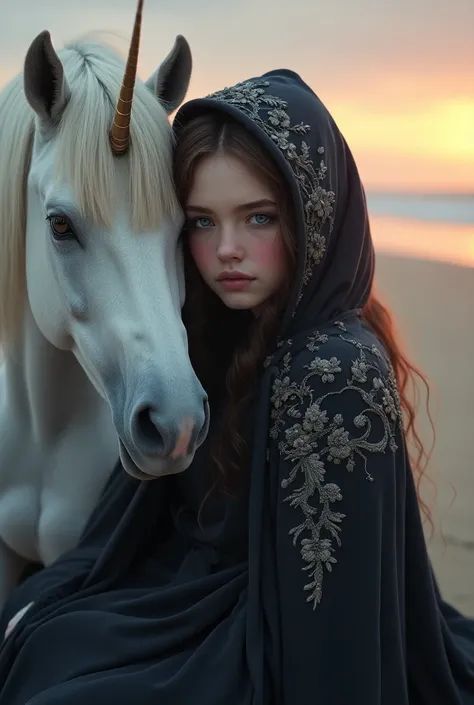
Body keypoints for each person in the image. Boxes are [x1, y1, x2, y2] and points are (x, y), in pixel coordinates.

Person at [0, 69, 473, 704]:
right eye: (200, 222)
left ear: (313, 213)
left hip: (264, 642)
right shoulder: (212, 332)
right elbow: (132, 522)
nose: (227, 249)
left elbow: (334, 636)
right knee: (43, 640)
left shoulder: (337, 378)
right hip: (184, 598)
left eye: (258, 217)